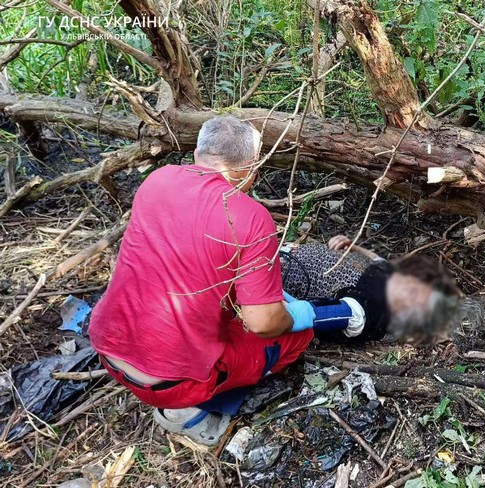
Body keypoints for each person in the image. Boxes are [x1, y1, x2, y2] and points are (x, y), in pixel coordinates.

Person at [89, 116, 330, 445]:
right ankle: (190, 412)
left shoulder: (157, 181)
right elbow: (263, 323)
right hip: (168, 384)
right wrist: (297, 315)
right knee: (296, 337)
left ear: (198, 154)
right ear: (249, 168)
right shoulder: (249, 216)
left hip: (107, 349)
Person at [281, 235, 462, 343]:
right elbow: (376, 259)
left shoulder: (373, 310)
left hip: (279, 274)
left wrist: (280, 317)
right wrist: (350, 245)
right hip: (286, 251)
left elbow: (337, 315)